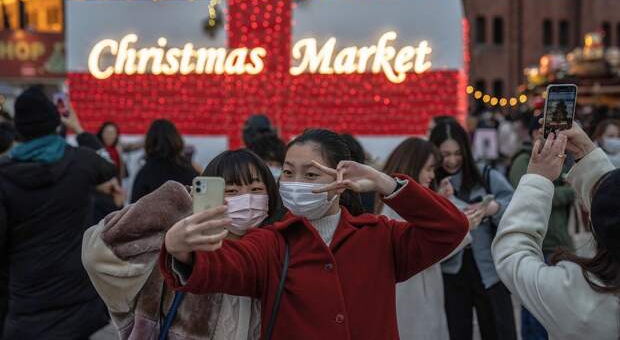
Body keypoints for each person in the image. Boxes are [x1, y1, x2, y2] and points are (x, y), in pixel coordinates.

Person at [160, 128, 469, 340]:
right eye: (288, 172)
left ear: (342, 177)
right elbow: (225, 265)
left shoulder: (379, 236)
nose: (295, 182)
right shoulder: (272, 242)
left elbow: (450, 229)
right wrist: (181, 250)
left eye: (310, 174)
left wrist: (385, 183)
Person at [83, 149, 281, 339]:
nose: (246, 200)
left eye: (256, 190)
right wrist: (171, 203)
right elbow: (97, 254)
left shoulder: (279, 251)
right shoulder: (181, 250)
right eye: (231, 191)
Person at [0, 87, 117, 339]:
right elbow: (108, 166)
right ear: (55, 123)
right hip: (81, 308)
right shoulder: (80, 162)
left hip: (25, 309)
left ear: (19, 129)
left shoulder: (4, 174)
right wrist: (79, 128)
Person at [492, 124, 620, 340]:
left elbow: (511, 254)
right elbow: (613, 206)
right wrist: (588, 155)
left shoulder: (580, 298)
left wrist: (537, 179)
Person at [377, 137, 478, 340]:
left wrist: (440, 202)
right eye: (429, 169)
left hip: (417, 296)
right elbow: (423, 251)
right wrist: (464, 229)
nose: (432, 175)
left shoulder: (398, 204)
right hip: (411, 299)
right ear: (413, 167)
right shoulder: (395, 208)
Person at [430, 120, 517, 340]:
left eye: (457, 153)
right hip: (450, 272)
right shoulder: (430, 179)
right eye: (445, 154)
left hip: (488, 268)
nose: (451, 160)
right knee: (456, 331)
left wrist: (492, 208)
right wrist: (439, 202)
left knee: (499, 329)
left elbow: (515, 204)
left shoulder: (485, 174)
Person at [507, 117, 575, 340]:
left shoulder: (563, 159)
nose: (553, 135)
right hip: (539, 244)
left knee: (556, 312)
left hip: (560, 243)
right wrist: (567, 192)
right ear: (535, 132)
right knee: (536, 312)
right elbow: (527, 195)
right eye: (548, 129)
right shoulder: (523, 160)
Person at [131, 119, 198, 203]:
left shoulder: (145, 173)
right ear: (176, 139)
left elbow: (134, 210)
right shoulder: (190, 170)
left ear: (150, 141)